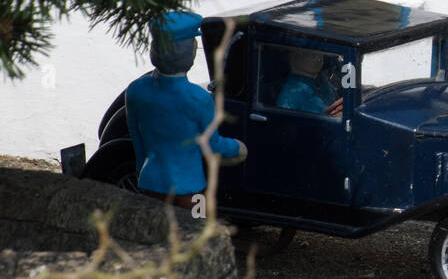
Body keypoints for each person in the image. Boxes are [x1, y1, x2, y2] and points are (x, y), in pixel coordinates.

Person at [125, 11, 247, 202]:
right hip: (191, 187)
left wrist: (141, 170)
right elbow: (212, 144)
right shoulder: (198, 98)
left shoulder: (136, 90)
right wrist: (237, 148)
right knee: (199, 226)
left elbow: (137, 139)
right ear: (188, 53)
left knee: (154, 229)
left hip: (150, 182)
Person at [276, 47, 342, 116]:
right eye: (312, 55)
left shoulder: (321, 79)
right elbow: (327, 114)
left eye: (321, 55)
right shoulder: (295, 90)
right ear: (296, 56)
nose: (318, 59)